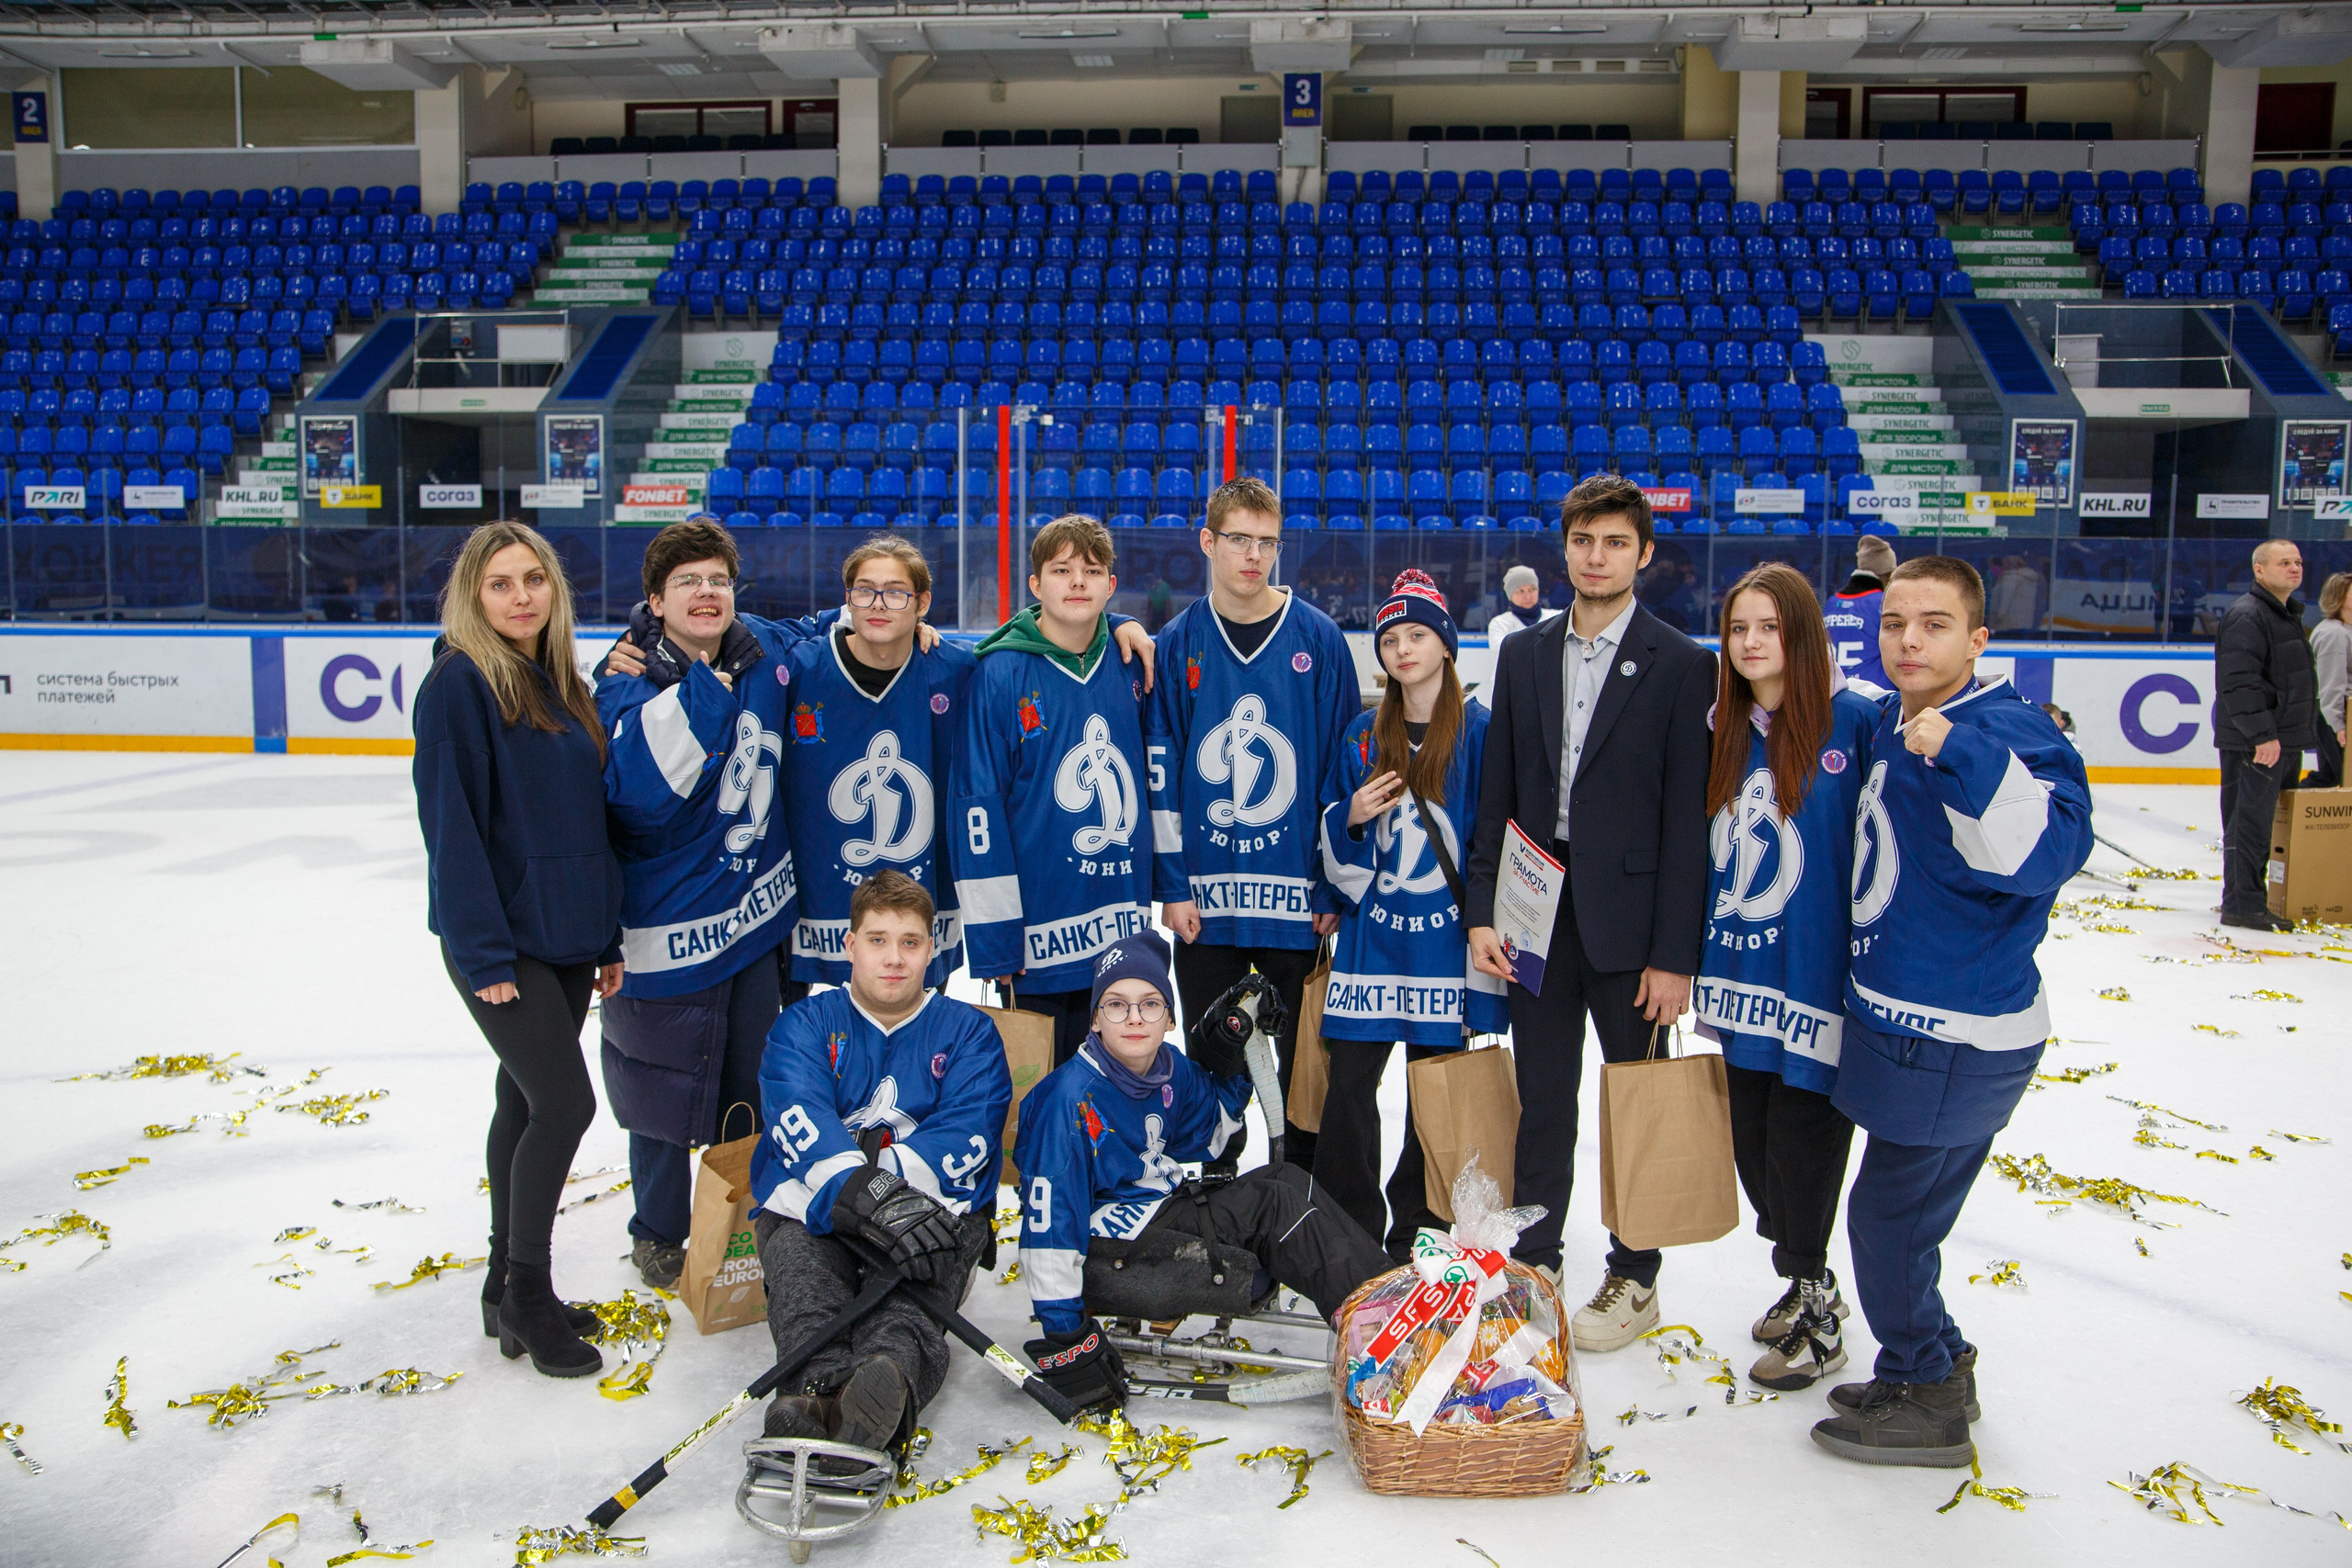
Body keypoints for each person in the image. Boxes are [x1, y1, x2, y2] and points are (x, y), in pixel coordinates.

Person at [1810, 557, 2091, 1468]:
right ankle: (1933, 1363)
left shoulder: (2000, 728)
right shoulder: (1897, 719)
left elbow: (2049, 852)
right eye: (1894, 623)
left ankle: (1925, 1388)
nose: (1908, 640)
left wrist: (1963, 752)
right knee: (1905, 1219)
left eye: (1933, 625)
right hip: (1906, 1024)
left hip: (1955, 1035)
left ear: (1977, 639)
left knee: (1887, 1222)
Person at [1463, 473, 1714, 1351]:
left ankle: (1635, 1273)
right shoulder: (1524, 653)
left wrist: (1675, 955)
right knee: (1543, 1100)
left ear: (1644, 553)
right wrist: (1483, 910)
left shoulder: (1682, 663)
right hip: (1537, 911)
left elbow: (1688, 824)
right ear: (1563, 549)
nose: (1596, 557)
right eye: (1583, 541)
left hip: (1633, 922)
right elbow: (1496, 794)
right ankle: (1537, 1263)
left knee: (1637, 1098)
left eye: (1614, 543)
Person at [1012, 932, 1394, 1411]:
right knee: (1274, 1205)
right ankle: (1389, 1333)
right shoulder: (1067, 1101)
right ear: (1094, 1019)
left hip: (1159, 1209)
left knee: (1286, 1180)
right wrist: (1067, 1338)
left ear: (1169, 1019)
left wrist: (1234, 1055)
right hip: (1108, 1247)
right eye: (1116, 1005)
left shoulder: (1165, 1069)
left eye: (1150, 1004)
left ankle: (1394, 1297)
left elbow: (1211, 1130)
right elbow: (1048, 1228)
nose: (1134, 1018)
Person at [413, 521, 622, 1379]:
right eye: (500, 583)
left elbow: (587, 821)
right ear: (473, 594)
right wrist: (483, 953)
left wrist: (604, 934)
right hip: (503, 940)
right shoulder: (459, 684)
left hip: (567, 935)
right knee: (564, 1104)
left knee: (523, 1100)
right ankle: (530, 1293)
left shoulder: (563, 683)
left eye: (534, 579)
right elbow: (451, 829)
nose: (521, 595)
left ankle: (504, 1286)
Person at [594, 518, 819, 1290]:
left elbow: (841, 620)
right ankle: (657, 1229)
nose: (706, 592)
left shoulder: (763, 649)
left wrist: (913, 622)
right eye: (686, 581)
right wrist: (698, 696)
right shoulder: (625, 680)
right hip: (663, 929)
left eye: (718, 579)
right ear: (655, 601)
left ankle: (748, 1222)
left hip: (753, 920)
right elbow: (635, 799)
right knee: (659, 1088)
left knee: (753, 1088)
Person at [1690, 564, 1879, 1393]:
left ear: (1801, 633)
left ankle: (1817, 1307)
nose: (1751, 642)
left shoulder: (1857, 720)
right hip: (1741, 980)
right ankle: (1802, 1275)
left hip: (1815, 990)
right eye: (1739, 628)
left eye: (1769, 626)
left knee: (1804, 1156)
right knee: (1758, 1158)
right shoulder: (1723, 728)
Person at [748, 872, 1013, 1450]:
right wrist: (863, 1192)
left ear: (931, 949)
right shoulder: (802, 1025)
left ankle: (880, 1394)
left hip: (933, 1212)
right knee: (806, 1288)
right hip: (810, 1211)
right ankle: (815, 1391)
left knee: (904, 1310)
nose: (894, 958)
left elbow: (970, 1128)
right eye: (877, 940)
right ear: (850, 945)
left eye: (910, 942)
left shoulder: (970, 1033)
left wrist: (888, 1191)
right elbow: (797, 1112)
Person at [1147, 476, 1358, 1170]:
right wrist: (1172, 885)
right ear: (1207, 542)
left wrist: (1329, 885)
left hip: (1295, 902)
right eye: (1239, 539)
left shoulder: (1319, 638)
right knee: (1213, 1063)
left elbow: (1340, 773)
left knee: (1301, 1076)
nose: (1254, 555)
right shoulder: (1177, 643)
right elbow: (1162, 772)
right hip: (1205, 904)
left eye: (1268, 542)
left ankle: (1298, 1198)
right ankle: (1219, 1190)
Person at [1315, 570, 1509, 1257]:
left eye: (1418, 635)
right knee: (1347, 1090)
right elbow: (1333, 838)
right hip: (1374, 941)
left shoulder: (1482, 732)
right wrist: (1351, 817)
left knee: (1437, 1096)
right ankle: (1347, 1233)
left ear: (1446, 645)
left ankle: (1418, 1232)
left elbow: (1492, 842)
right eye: (1391, 638)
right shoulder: (1362, 736)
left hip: (1446, 947)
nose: (1403, 649)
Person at [956, 515, 1159, 1067]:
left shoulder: (1132, 664)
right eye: (1061, 570)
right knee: (1039, 1090)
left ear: (1110, 586)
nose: (1077, 582)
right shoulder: (1001, 673)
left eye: (1091, 572)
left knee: (1114, 1085)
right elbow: (977, 806)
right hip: (1035, 935)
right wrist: (995, 935)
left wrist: (1123, 624)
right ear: (1035, 584)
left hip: (1120, 923)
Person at [2212, 539, 2315, 932]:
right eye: (2284, 562)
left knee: (2263, 823)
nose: (2294, 568)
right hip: (2256, 743)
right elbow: (2239, 682)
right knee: (2248, 824)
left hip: (2281, 738)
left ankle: (2251, 898)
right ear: (2259, 570)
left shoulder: (2283, 614)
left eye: (2298, 562)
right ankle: (2242, 905)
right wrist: (2261, 734)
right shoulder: (2248, 615)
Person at [1825, 534, 1894, 687]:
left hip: (1834, 688)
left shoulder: (1831, 603)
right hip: (1876, 692)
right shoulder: (1883, 602)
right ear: (1886, 574)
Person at [2305, 571, 2349, 790]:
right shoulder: (2335, 634)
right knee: (2335, 775)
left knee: (2331, 776)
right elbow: (2331, 686)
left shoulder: (2343, 630)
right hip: (2335, 716)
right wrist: (2339, 726)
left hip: (2336, 715)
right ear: (2339, 597)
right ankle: (2287, 805)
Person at [1486, 564, 1547, 640]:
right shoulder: (1500, 624)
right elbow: (1500, 647)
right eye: (1521, 591)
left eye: (1532, 589)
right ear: (1510, 595)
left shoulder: (1556, 618)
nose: (1528, 596)